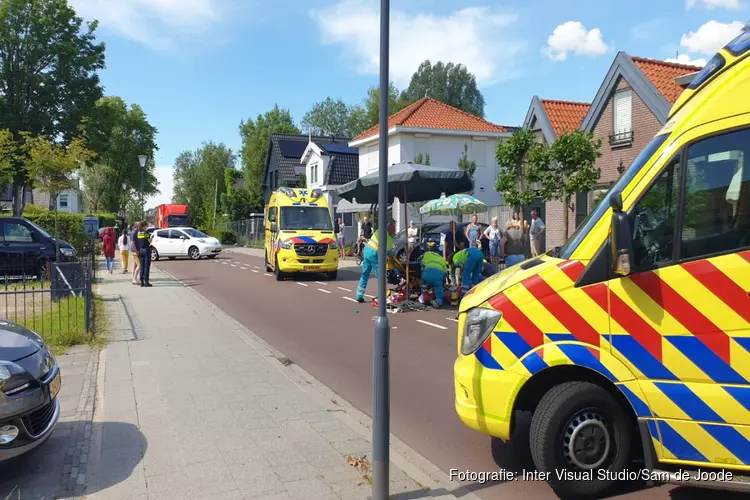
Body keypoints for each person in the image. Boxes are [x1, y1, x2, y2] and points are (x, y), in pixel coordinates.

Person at [355, 223, 394, 303]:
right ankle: (382, 297)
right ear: (390, 230)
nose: (393, 232)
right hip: (374, 254)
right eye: (393, 230)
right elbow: (389, 253)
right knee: (381, 277)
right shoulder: (388, 237)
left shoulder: (378, 231)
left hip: (366, 251)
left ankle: (359, 296)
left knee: (364, 275)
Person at [443, 220, 468, 286]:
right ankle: (453, 284)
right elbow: (445, 245)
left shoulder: (459, 234)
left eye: (452, 226)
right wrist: (444, 256)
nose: (451, 228)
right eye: (450, 226)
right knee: (451, 271)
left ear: (455, 226)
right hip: (450, 255)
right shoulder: (448, 234)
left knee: (458, 272)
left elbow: (462, 247)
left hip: (458, 256)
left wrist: (456, 244)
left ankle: (459, 284)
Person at [135, 221, 153, 287]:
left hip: (140, 250)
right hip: (146, 250)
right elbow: (150, 241)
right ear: (144, 226)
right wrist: (151, 238)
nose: (147, 226)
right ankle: (146, 281)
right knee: (146, 267)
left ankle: (141, 281)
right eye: (147, 225)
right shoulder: (146, 233)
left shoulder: (139, 233)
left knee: (142, 266)